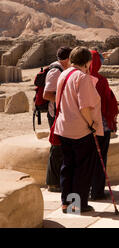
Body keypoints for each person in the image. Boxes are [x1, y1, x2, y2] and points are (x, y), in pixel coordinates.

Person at [54, 47, 103, 213]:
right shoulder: (82, 77)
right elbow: (85, 107)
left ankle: (66, 203)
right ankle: (78, 204)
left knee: (68, 165)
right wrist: (92, 124)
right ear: (88, 62)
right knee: (83, 168)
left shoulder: (64, 73)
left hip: (64, 127)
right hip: (80, 129)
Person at [89, 50, 119, 200]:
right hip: (100, 125)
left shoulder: (78, 77)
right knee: (101, 159)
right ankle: (97, 191)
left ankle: (84, 190)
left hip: (83, 126)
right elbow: (107, 103)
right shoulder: (100, 80)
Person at [43, 46, 72, 193]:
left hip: (61, 113)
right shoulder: (55, 71)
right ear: (68, 59)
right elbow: (47, 95)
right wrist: (65, 98)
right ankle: (52, 182)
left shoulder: (64, 69)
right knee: (57, 148)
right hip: (55, 114)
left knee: (62, 148)